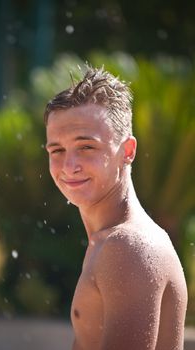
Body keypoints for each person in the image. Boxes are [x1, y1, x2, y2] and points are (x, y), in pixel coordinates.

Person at [44, 67, 188, 350]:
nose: (69, 166)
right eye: (57, 150)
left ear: (128, 151)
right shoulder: (110, 242)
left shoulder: (128, 247)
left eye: (86, 147)